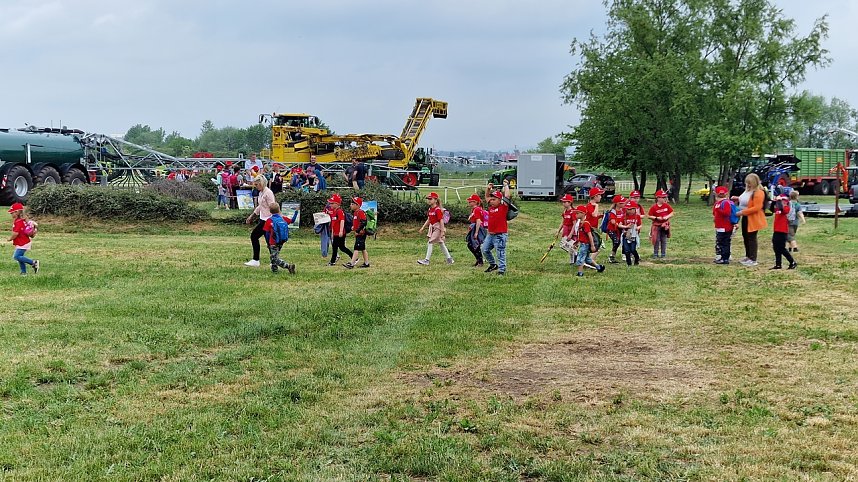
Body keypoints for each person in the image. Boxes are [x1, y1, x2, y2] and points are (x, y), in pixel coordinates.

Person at [732, 173, 767, 267]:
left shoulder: (759, 192)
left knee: (751, 237)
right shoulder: (747, 190)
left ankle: (753, 258)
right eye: (747, 183)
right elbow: (745, 200)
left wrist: (742, 212)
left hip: (753, 218)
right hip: (746, 217)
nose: (748, 184)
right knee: (745, 236)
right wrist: (738, 199)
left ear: (755, 182)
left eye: (750, 183)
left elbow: (757, 207)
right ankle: (748, 256)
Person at [243, 177, 276, 267]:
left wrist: (275, 219)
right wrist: (252, 216)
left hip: (268, 220)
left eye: (257, 184)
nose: (255, 186)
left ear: (261, 183)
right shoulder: (261, 192)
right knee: (268, 242)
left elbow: (272, 206)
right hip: (263, 219)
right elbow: (260, 206)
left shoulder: (268, 193)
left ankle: (256, 260)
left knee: (255, 236)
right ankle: (273, 260)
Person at [482, 181, 511, 275]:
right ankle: (493, 264)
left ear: (499, 200)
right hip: (490, 234)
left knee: (500, 252)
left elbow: (507, 196)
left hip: (500, 235)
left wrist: (506, 185)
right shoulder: (491, 208)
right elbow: (486, 197)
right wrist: (488, 188)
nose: (491, 201)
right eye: (491, 199)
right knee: (485, 249)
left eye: (494, 199)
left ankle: (502, 270)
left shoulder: (503, 207)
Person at [417, 192, 454, 266]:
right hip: (434, 227)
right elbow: (429, 219)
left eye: (431, 199)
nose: (429, 200)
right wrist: (423, 228)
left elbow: (441, 221)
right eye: (428, 199)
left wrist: (442, 231)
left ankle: (426, 260)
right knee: (441, 243)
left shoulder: (437, 210)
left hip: (438, 228)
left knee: (430, 242)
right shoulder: (430, 209)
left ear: (436, 200)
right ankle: (449, 259)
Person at [262, 203, 297, 275]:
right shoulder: (283, 219)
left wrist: (268, 242)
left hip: (273, 242)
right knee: (274, 255)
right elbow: (292, 220)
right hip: (281, 241)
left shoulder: (269, 221)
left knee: (274, 258)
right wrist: (296, 212)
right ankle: (274, 270)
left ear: (270, 211)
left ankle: (288, 266)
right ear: (279, 210)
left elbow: (267, 233)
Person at [6, 203, 39, 275]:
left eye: (12, 213)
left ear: (17, 212)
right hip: (23, 242)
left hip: (23, 242)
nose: (11, 214)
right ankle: (23, 272)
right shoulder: (22, 220)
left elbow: (15, 234)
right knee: (20, 258)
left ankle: (33, 262)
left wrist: (10, 239)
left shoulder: (18, 222)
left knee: (16, 256)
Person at [574, 206, 605, 276]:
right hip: (582, 243)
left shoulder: (586, 223)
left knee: (580, 258)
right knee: (587, 259)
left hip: (585, 244)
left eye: (577, 213)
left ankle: (580, 272)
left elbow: (589, 235)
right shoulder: (580, 223)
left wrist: (592, 245)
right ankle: (599, 267)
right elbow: (581, 235)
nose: (575, 215)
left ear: (583, 213)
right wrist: (577, 242)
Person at [770, 194, 797, 270]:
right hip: (776, 230)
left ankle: (792, 262)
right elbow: (771, 210)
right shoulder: (778, 209)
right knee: (775, 247)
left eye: (783, 201)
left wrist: (778, 201)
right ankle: (778, 264)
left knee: (781, 248)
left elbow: (782, 209)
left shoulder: (786, 208)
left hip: (782, 231)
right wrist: (774, 201)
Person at [344, 197, 371, 269]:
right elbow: (357, 222)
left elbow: (363, 222)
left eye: (352, 204)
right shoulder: (355, 213)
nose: (350, 205)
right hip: (359, 233)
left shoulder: (360, 212)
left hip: (361, 233)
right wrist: (353, 227)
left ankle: (352, 264)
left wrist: (358, 230)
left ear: (358, 205)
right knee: (362, 248)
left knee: (356, 248)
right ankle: (366, 263)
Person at [327, 194, 353, 266]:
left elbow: (342, 221)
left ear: (337, 204)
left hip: (340, 233)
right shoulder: (333, 211)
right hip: (335, 233)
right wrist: (332, 233)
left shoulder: (339, 211)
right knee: (339, 247)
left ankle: (332, 262)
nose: (330, 205)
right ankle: (333, 261)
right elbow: (333, 223)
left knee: (339, 247)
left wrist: (341, 231)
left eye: (332, 203)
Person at [647, 189, 674, 258]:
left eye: (665, 197)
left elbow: (672, 213)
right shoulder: (654, 207)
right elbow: (649, 216)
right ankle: (655, 254)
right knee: (656, 240)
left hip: (664, 226)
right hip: (656, 225)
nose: (665, 199)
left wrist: (667, 216)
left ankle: (663, 254)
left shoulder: (666, 205)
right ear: (658, 198)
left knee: (663, 240)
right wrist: (656, 218)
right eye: (663, 197)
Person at [712, 186, 734, 264]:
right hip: (719, 226)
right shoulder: (717, 203)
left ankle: (725, 258)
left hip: (725, 226)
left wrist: (719, 210)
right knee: (720, 241)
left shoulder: (726, 202)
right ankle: (721, 256)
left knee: (725, 242)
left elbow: (727, 213)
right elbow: (714, 213)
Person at [465, 194, 488, 267]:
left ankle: (480, 261)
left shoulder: (477, 209)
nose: (469, 203)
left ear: (475, 202)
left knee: (474, 245)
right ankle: (478, 260)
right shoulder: (475, 209)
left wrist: (476, 232)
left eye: (470, 201)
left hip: (477, 227)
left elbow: (478, 221)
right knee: (471, 244)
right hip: (474, 227)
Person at [618, 201, 641, 266]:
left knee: (633, 249)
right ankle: (629, 264)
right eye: (628, 209)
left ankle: (637, 259)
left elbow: (640, 225)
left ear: (634, 209)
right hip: (626, 235)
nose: (629, 211)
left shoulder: (637, 217)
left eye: (631, 209)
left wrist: (638, 228)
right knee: (627, 250)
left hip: (633, 236)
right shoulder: (624, 217)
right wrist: (625, 227)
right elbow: (619, 225)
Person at [557, 194, 578, 265]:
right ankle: (573, 259)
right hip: (566, 231)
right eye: (563, 202)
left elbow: (575, 224)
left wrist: (571, 234)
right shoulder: (565, 211)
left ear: (570, 203)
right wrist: (558, 231)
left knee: (571, 246)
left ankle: (575, 257)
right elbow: (563, 222)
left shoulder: (573, 212)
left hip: (571, 231)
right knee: (563, 245)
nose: (563, 203)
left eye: (565, 202)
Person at [606, 195, 625, 263]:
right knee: (616, 242)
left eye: (623, 202)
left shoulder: (622, 211)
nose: (623, 204)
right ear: (617, 203)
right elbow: (612, 221)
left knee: (619, 242)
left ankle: (613, 256)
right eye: (621, 203)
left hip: (619, 230)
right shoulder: (613, 211)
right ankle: (611, 256)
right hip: (612, 229)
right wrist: (619, 225)